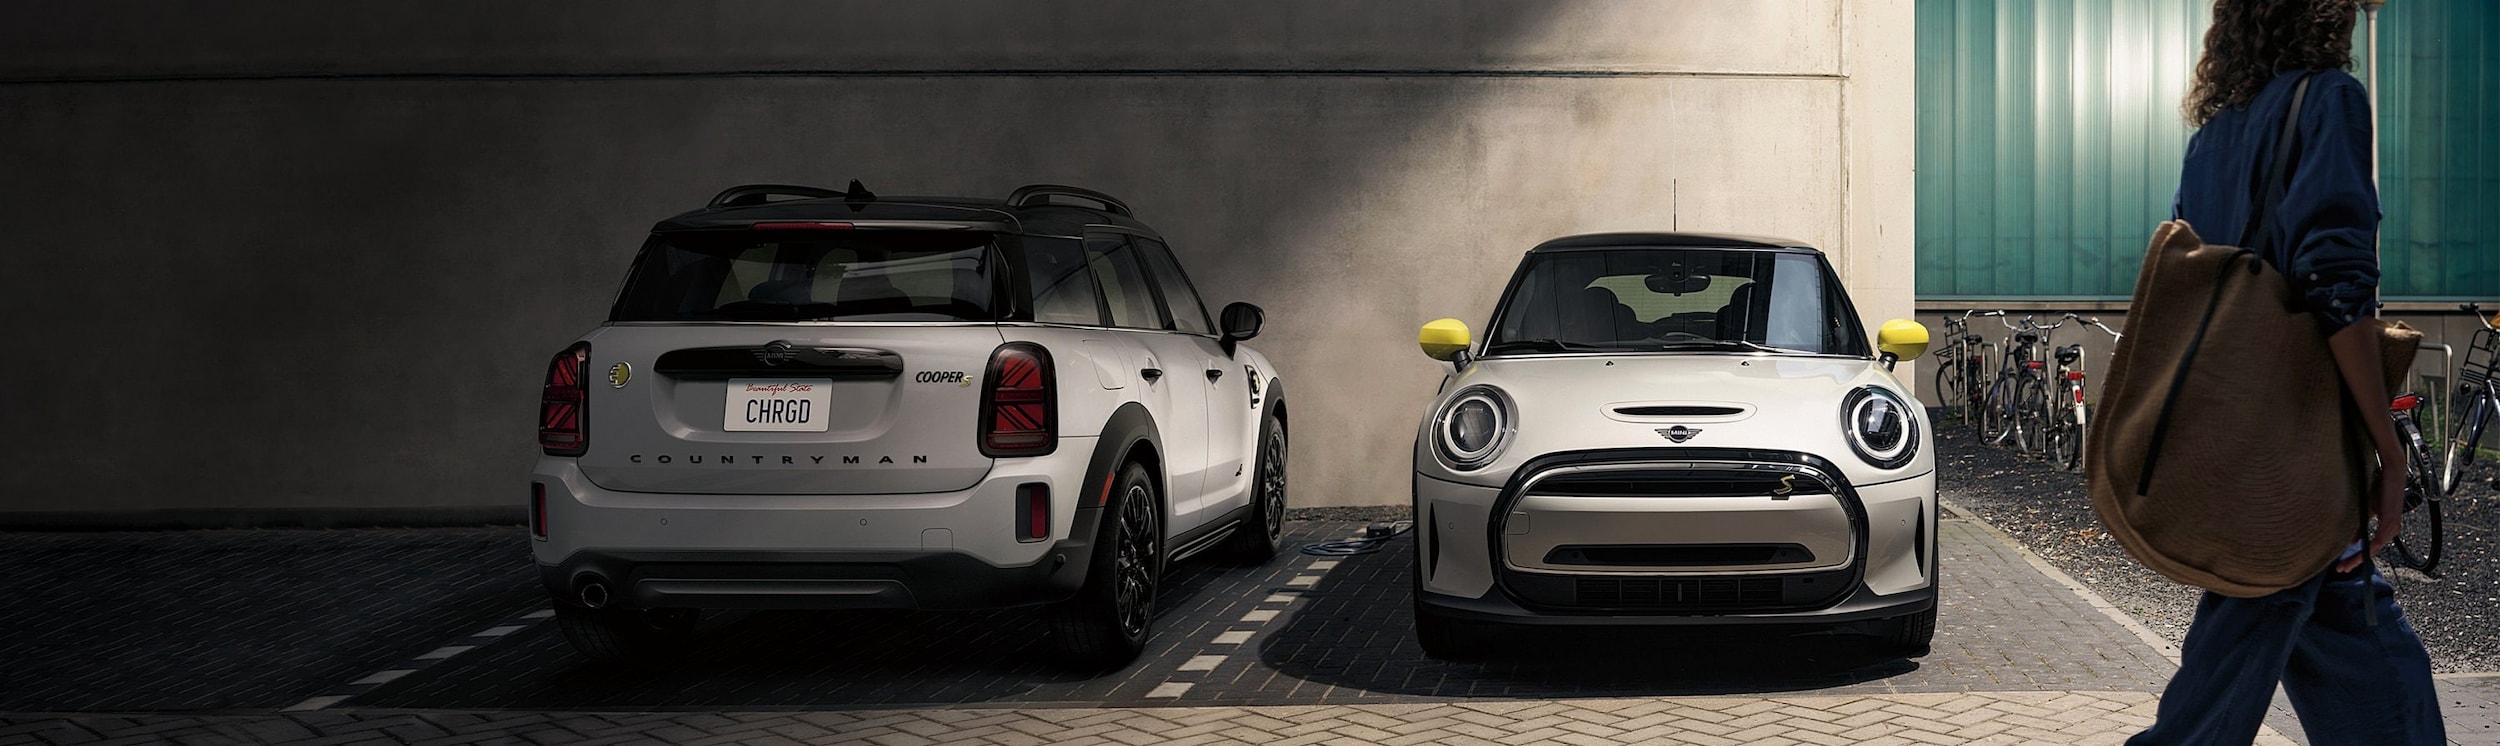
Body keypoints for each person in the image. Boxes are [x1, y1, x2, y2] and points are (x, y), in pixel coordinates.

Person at [2130, 0, 2445, 743]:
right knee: (2221, 691)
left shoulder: (2215, 133)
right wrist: (2388, 452)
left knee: (2366, 655)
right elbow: (2335, 287)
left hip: (2237, 442)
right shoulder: (2331, 99)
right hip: (2292, 458)